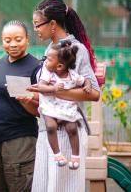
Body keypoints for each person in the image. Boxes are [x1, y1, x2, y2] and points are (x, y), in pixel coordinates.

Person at [29, 0, 100, 192]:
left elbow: (94, 93)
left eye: (37, 25)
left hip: (69, 134)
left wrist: (56, 91)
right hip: (48, 131)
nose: (35, 29)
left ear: (52, 24)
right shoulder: (50, 48)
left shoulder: (76, 49)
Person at [0, 20, 40, 192]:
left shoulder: (36, 67)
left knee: (20, 187)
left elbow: (41, 110)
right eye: (7, 40)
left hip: (19, 140)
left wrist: (24, 99)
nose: (12, 44)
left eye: (18, 39)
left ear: (27, 39)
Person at [36, 41, 92, 170]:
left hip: (66, 107)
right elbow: (40, 86)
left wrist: (87, 85)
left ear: (60, 66)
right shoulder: (49, 74)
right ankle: (57, 155)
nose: (45, 62)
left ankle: (75, 157)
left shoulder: (73, 76)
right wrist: (53, 88)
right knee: (51, 126)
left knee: (72, 128)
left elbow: (85, 79)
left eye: (49, 59)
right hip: (50, 107)